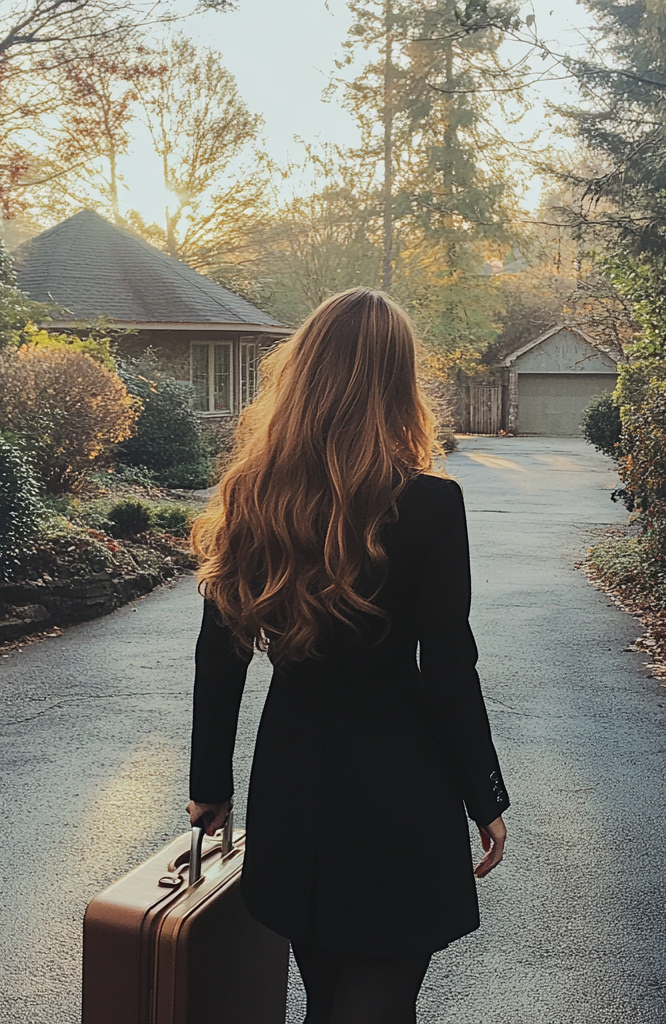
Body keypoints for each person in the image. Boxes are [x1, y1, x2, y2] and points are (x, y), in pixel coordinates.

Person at [187, 287, 509, 1024]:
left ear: (302, 375)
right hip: (400, 792)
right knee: (376, 999)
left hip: (293, 782)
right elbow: (448, 670)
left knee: (327, 993)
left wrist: (211, 787)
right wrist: (483, 795)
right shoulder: (430, 504)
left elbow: (220, 654)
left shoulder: (253, 497)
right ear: (396, 383)